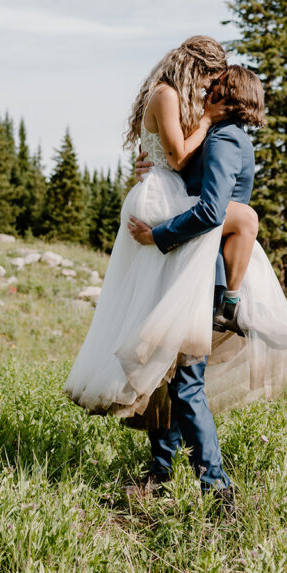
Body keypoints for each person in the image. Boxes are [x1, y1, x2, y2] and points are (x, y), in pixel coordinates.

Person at [128, 64, 287, 500]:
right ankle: (161, 472)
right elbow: (182, 177)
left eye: (215, 84)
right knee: (167, 374)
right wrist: (152, 171)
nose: (206, 88)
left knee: (186, 382)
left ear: (226, 95)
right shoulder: (217, 136)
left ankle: (217, 488)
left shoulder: (227, 140)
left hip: (205, 274)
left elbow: (212, 212)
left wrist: (157, 235)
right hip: (188, 270)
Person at [64, 36, 262, 425]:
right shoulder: (168, 95)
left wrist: (157, 167)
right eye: (209, 79)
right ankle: (229, 303)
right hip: (163, 203)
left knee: (170, 333)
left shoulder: (172, 97)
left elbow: (172, 159)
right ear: (197, 69)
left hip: (166, 195)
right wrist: (205, 122)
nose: (208, 89)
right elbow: (174, 155)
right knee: (239, 222)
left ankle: (163, 463)